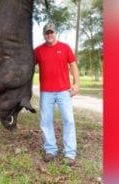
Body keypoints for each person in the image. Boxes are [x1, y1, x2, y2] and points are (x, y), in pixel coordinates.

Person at [34, 22, 80, 166]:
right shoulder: (38, 51)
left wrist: (77, 84)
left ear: (56, 33)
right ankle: (50, 150)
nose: (49, 35)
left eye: (51, 32)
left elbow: (73, 66)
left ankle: (70, 153)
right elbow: (28, 67)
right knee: (46, 121)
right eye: (47, 33)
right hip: (46, 92)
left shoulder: (65, 48)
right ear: (44, 35)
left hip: (63, 91)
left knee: (69, 120)